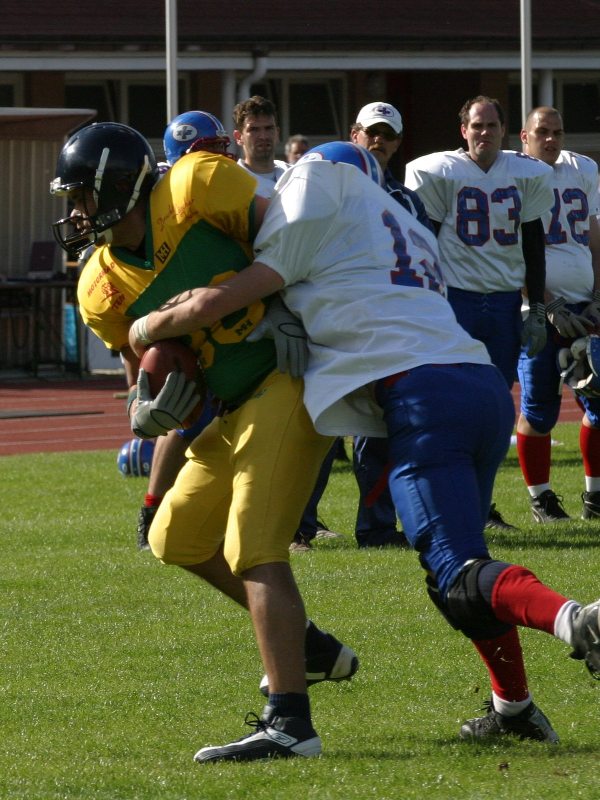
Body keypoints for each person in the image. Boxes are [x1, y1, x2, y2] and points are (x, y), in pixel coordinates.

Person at [128, 141, 600, 760]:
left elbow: (224, 298)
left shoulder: (313, 193)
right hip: (478, 386)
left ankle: (576, 620)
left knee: (458, 570)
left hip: (421, 397)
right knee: (458, 571)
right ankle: (513, 707)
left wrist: (144, 329)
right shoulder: (402, 226)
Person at [50, 122, 359, 758]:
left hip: (287, 376)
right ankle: (305, 644)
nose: (75, 211)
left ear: (118, 187)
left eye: (82, 195)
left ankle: (290, 724)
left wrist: (289, 305)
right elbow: (145, 371)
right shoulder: (98, 286)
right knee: (176, 536)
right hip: (233, 405)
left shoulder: (194, 184)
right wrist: (144, 411)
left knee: (254, 548)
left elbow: (297, 239)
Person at [404, 95, 553, 531]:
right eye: (476, 125)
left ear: (503, 130)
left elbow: (533, 245)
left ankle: (481, 506)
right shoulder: (440, 171)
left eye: (490, 125)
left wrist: (536, 307)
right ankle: (458, 503)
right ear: (463, 131)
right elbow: (426, 242)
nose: (483, 132)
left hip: (504, 303)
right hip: (458, 301)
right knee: (453, 404)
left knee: (493, 408)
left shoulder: (526, 173)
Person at [136, 110, 233, 550]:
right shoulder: (165, 196)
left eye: (218, 150)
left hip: (227, 307)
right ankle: (153, 508)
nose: (214, 160)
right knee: (179, 411)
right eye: (204, 152)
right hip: (183, 318)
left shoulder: (227, 184)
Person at [349, 100, 434, 548]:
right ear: (355, 135)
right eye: (372, 133)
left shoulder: (408, 200)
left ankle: (377, 526)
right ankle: (300, 527)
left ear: (398, 143)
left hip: (397, 325)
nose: (379, 141)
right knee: (318, 434)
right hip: (342, 321)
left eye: (388, 135)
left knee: (384, 427)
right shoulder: (332, 191)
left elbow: (428, 259)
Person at [515, 106, 600, 522]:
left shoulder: (582, 169)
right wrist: (545, 302)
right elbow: (510, 251)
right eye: (542, 132)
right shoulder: (513, 175)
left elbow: (595, 238)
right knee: (539, 408)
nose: (551, 139)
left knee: (598, 400)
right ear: (524, 136)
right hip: (536, 311)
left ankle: (595, 496)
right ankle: (541, 498)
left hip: (585, 306)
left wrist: (598, 294)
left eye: (558, 132)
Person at [232, 95, 288, 197]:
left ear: (277, 133)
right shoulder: (232, 183)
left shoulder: (295, 174)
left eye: (268, 128)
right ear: (239, 137)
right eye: (254, 129)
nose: (263, 136)